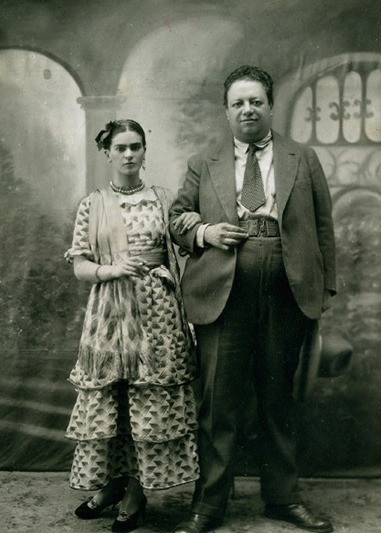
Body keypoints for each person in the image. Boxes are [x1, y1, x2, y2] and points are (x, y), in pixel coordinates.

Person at [169, 66, 336, 533]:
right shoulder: (204, 161)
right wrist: (205, 231)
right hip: (223, 288)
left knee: (278, 398)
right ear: (226, 111)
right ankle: (209, 506)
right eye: (238, 103)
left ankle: (283, 498)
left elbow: (324, 225)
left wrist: (324, 290)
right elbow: (177, 218)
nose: (248, 110)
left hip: (287, 285)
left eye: (256, 101)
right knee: (218, 400)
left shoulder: (302, 157)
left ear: (270, 106)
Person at [65, 119, 201, 533]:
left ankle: (136, 494)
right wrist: (112, 270)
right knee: (115, 399)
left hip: (158, 312)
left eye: (135, 146)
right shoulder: (92, 204)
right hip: (109, 311)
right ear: (107, 152)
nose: (128, 154)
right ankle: (112, 485)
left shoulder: (163, 199)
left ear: (144, 151)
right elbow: (80, 265)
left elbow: (186, 243)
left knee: (147, 401)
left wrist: (195, 233)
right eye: (120, 147)